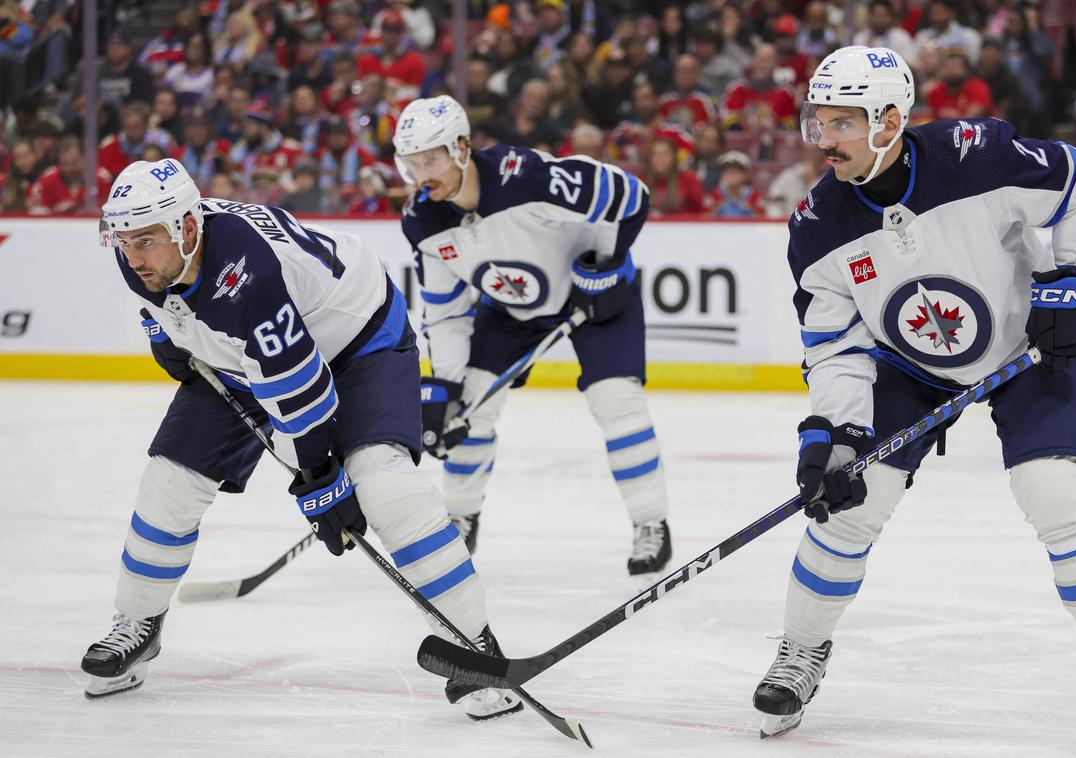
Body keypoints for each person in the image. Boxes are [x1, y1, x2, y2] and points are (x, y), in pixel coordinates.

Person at [753, 46, 1076, 753]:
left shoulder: (979, 157)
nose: (824, 140)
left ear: (891, 120)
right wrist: (829, 436)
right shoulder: (817, 228)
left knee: (1055, 493)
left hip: (1025, 349)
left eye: (841, 123)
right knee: (852, 503)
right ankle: (801, 651)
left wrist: (1070, 284)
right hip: (906, 367)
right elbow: (836, 349)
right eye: (819, 122)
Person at [81, 158, 521, 721]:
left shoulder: (247, 272)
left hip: (361, 338)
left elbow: (303, 391)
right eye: (122, 241)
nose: (132, 256)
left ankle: (473, 642)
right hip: (245, 354)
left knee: (382, 482)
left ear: (188, 228)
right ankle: (137, 622)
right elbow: (166, 312)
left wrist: (320, 479)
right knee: (169, 479)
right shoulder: (145, 258)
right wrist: (164, 332)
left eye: (143, 240)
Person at [395, 96, 672, 575]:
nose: (423, 175)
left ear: (461, 147)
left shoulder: (524, 177)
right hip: (509, 309)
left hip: (595, 297)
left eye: (432, 159)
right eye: (412, 163)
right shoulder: (422, 219)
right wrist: (447, 386)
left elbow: (632, 196)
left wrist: (606, 265)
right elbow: (444, 312)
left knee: (616, 401)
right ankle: (460, 518)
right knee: (469, 409)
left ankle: (651, 524)